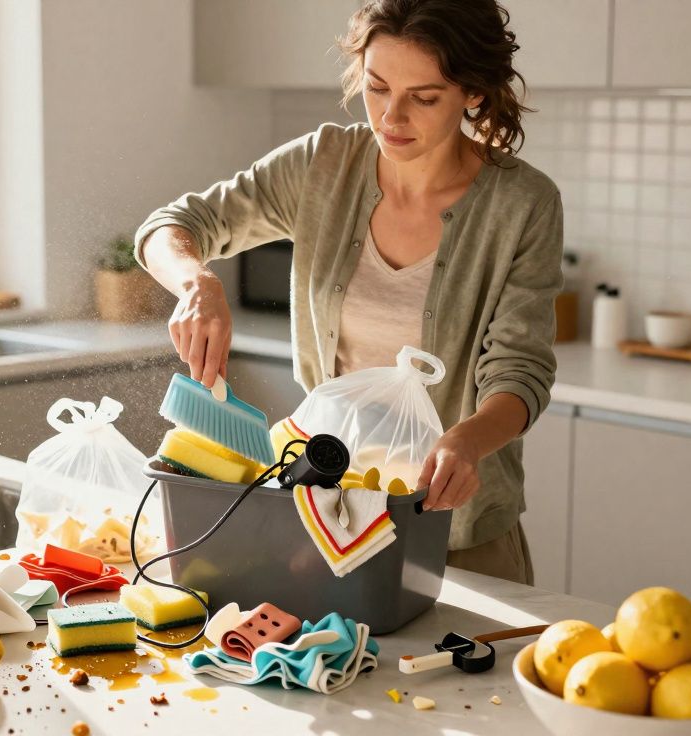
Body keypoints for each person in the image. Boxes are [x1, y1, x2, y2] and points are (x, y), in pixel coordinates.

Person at [133, 0, 560, 585]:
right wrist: (197, 282)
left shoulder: (522, 204)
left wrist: (466, 441)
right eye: (378, 86)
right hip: (323, 517)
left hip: (453, 526)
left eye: (425, 97)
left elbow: (520, 370)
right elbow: (173, 225)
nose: (392, 116)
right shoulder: (324, 165)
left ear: (475, 94)